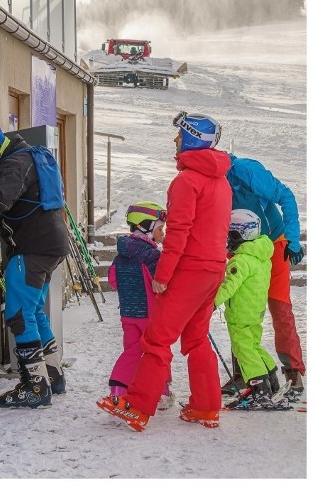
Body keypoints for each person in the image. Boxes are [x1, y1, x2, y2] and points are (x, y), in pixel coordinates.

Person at [97, 111, 231, 431]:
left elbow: (178, 233)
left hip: (189, 269)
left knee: (157, 340)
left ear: (192, 139)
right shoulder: (221, 182)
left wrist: (162, 276)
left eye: (180, 136)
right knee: (196, 339)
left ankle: (138, 406)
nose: (175, 140)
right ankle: (205, 406)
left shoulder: (186, 181)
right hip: (213, 269)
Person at [0, 116, 70, 409]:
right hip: (51, 244)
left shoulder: (14, 163)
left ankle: (35, 386)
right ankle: (52, 374)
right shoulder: (31, 156)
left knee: (20, 315)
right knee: (34, 311)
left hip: (33, 247)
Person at [223, 153, 306, 398]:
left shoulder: (244, 171)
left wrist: (292, 237)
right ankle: (244, 373)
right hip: (238, 247)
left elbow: (286, 196)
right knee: (238, 309)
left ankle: (293, 371)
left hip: (273, 243)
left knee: (280, 307)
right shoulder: (199, 179)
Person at [215, 209, 289, 410]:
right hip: (255, 312)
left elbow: (228, 286)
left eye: (230, 234)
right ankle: (271, 382)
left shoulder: (240, 260)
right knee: (254, 345)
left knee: (244, 349)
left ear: (240, 234)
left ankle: (260, 390)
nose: (228, 240)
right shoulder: (261, 256)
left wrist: (211, 303)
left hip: (240, 313)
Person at [106, 202, 174, 410]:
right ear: (145, 227)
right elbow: (161, 282)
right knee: (157, 352)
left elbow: (112, 280)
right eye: (160, 228)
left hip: (128, 313)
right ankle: (159, 392)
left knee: (132, 350)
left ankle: (123, 390)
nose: (162, 233)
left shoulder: (121, 255)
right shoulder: (151, 255)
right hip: (150, 314)